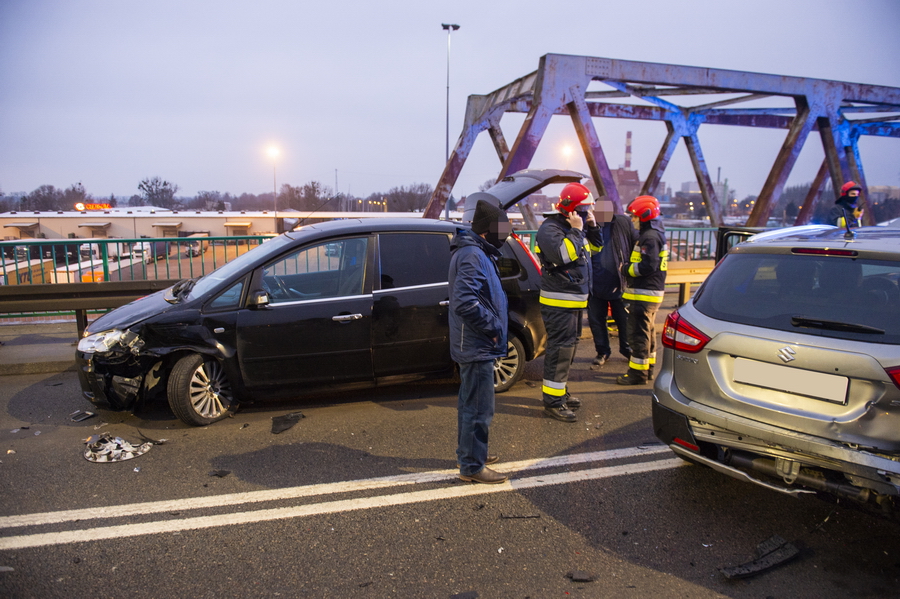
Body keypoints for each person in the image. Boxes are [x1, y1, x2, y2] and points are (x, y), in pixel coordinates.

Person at [449, 199, 512, 484]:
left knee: (470, 404)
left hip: (475, 343)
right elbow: (465, 302)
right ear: (488, 230)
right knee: (478, 408)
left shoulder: (477, 252)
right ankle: (473, 466)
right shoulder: (473, 255)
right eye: (502, 228)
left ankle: (472, 452)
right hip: (476, 344)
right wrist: (494, 327)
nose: (506, 233)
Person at [535, 182, 602, 422]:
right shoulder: (550, 229)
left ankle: (560, 391)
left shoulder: (577, 227)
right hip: (559, 302)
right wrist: (576, 230)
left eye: (589, 209)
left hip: (574, 301)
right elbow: (563, 255)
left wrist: (592, 228)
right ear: (571, 209)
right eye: (584, 209)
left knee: (569, 350)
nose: (587, 213)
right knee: (560, 350)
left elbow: (594, 249)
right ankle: (553, 402)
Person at [617, 195, 668, 386]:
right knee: (647, 332)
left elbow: (648, 266)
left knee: (638, 334)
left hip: (644, 294)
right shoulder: (656, 234)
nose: (632, 220)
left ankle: (637, 374)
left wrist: (625, 269)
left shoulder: (649, 237)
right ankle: (648, 369)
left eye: (634, 217)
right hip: (651, 293)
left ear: (644, 217)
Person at [587, 200, 637, 368]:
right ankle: (602, 351)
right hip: (595, 284)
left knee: (624, 319)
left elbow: (635, 243)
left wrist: (630, 270)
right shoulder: (590, 225)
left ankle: (627, 349)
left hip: (619, 282)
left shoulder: (623, 222)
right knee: (597, 321)